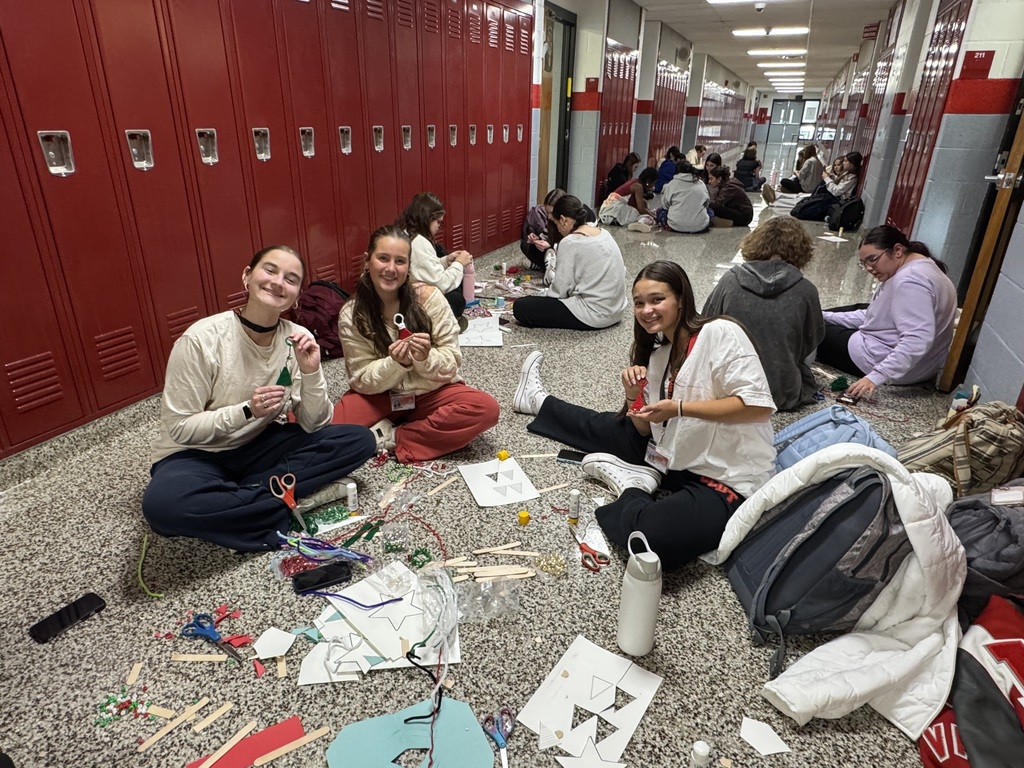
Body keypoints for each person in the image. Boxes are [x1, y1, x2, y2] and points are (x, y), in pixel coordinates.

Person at [512, 260, 776, 571]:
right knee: (608, 427)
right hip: (672, 456)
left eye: (656, 299)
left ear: (680, 299)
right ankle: (538, 401)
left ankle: (632, 486)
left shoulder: (719, 333)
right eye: (639, 303)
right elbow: (644, 429)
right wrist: (633, 396)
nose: (646, 310)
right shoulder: (659, 355)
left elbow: (756, 406)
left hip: (724, 476)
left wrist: (679, 408)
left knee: (649, 540)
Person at [142, 246, 376, 551]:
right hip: (194, 454)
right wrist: (247, 411)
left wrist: (311, 372)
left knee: (359, 440)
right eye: (270, 270)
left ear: (296, 294)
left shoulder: (296, 337)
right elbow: (181, 429)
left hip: (258, 445)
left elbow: (315, 424)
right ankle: (273, 499)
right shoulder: (201, 340)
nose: (279, 282)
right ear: (247, 277)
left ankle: (242, 499)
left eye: (291, 279)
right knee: (162, 508)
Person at [332, 226, 499, 462]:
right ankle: (415, 430)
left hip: (431, 391)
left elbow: (451, 362)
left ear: (408, 267)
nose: (391, 269)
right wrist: (396, 364)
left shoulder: (429, 298)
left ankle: (391, 436)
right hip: (381, 395)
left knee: (485, 409)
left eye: (400, 261)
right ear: (367, 261)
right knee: (328, 432)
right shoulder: (352, 313)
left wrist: (425, 357)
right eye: (383, 258)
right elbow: (360, 379)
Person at [815, 225, 957, 400]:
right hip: (923, 366)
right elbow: (874, 314)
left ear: (897, 250)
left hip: (891, 365)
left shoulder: (908, 283)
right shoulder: (926, 265)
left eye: (873, 259)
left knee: (813, 327)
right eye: (864, 263)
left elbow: (917, 339)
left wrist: (874, 377)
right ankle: (820, 315)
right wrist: (825, 315)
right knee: (837, 313)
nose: (868, 268)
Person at [702, 217, 824, 410]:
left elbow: (706, 324)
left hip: (730, 392)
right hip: (781, 393)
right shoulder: (806, 290)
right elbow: (812, 340)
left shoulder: (730, 280)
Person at [513, 195, 628, 330]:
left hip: (595, 315)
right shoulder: (604, 233)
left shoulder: (570, 242)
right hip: (617, 309)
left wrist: (541, 296)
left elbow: (559, 292)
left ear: (563, 220)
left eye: (556, 224)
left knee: (521, 307)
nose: (558, 229)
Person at [397, 192, 474, 321]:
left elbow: (421, 267)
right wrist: (459, 264)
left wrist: (444, 261)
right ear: (428, 218)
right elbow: (441, 283)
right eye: (438, 222)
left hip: (406, 294)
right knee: (456, 299)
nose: (439, 227)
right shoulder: (419, 242)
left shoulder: (407, 232)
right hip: (412, 301)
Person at [658, 160, 711, 233]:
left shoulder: (672, 184)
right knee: (710, 212)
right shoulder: (700, 183)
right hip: (700, 227)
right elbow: (707, 203)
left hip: (675, 226)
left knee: (660, 212)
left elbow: (665, 205)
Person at [521, 188, 565, 270]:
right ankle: (546, 268)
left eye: (552, 213)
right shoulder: (550, 221)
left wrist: (550, 246)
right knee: (525, 244)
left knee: (550, 253)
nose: (549, 216)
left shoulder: (567, 222)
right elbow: (546, 237)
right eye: (547, 212)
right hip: (551, 253)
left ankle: (547, 269)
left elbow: (569, 247)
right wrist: (537, 239)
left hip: (562, 256)